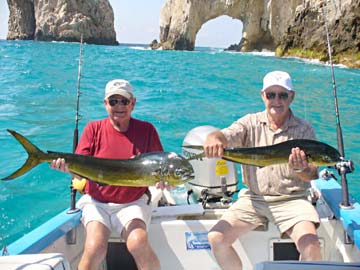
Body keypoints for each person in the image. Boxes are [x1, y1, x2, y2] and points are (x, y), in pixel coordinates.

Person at [204, 71, 322, 269]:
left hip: (291, 200)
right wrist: (213, 139)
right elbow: (225, 135)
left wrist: (302, 169)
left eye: (282, 95)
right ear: (262, 96)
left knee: (311, 246)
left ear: (291, 96)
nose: (276, 100)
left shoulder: (304, 130)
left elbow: (313, 174)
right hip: (254, 198)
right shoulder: (249, 123)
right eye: (271, 95)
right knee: (216, 238)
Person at [50, 79, 163, 270]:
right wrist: (67, 169)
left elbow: (159, 166)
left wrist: (164, 181)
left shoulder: (147, 130)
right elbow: (79, 173)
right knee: (94, 247)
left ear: (133, 103)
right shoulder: (93, 129)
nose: (119, 106)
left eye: (124, 101)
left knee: (138, 242)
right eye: (113, 101)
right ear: (105, 104)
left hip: (132, 201)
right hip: (97, 202)